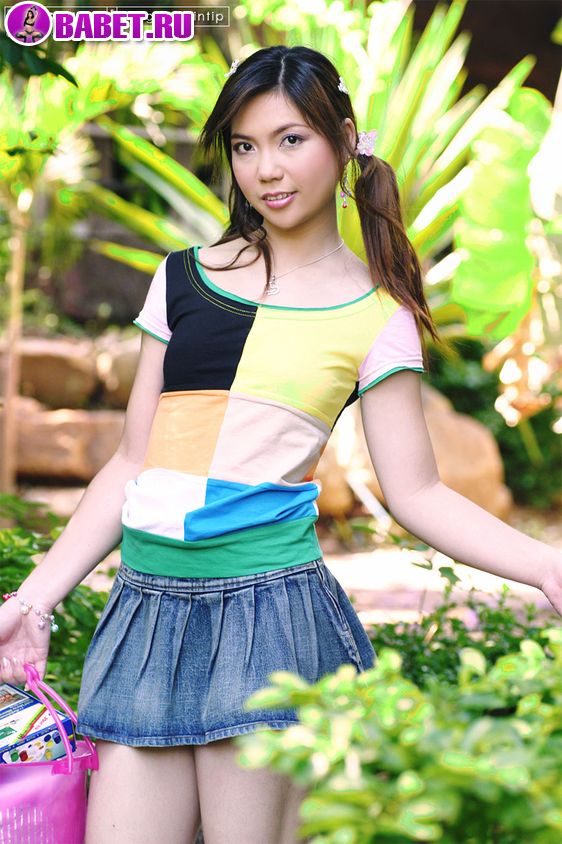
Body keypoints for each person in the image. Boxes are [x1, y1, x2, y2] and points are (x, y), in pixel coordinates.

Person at [1, 44, 561, 844]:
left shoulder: (376, 314)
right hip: (145, 612)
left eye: (291, 139)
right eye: (245, 145)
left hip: (266, 620)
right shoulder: (183, 278)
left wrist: (544, 566)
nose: (266, 168)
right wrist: (31, 602)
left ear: (344, 140)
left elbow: (417, 493)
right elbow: (131, 463)